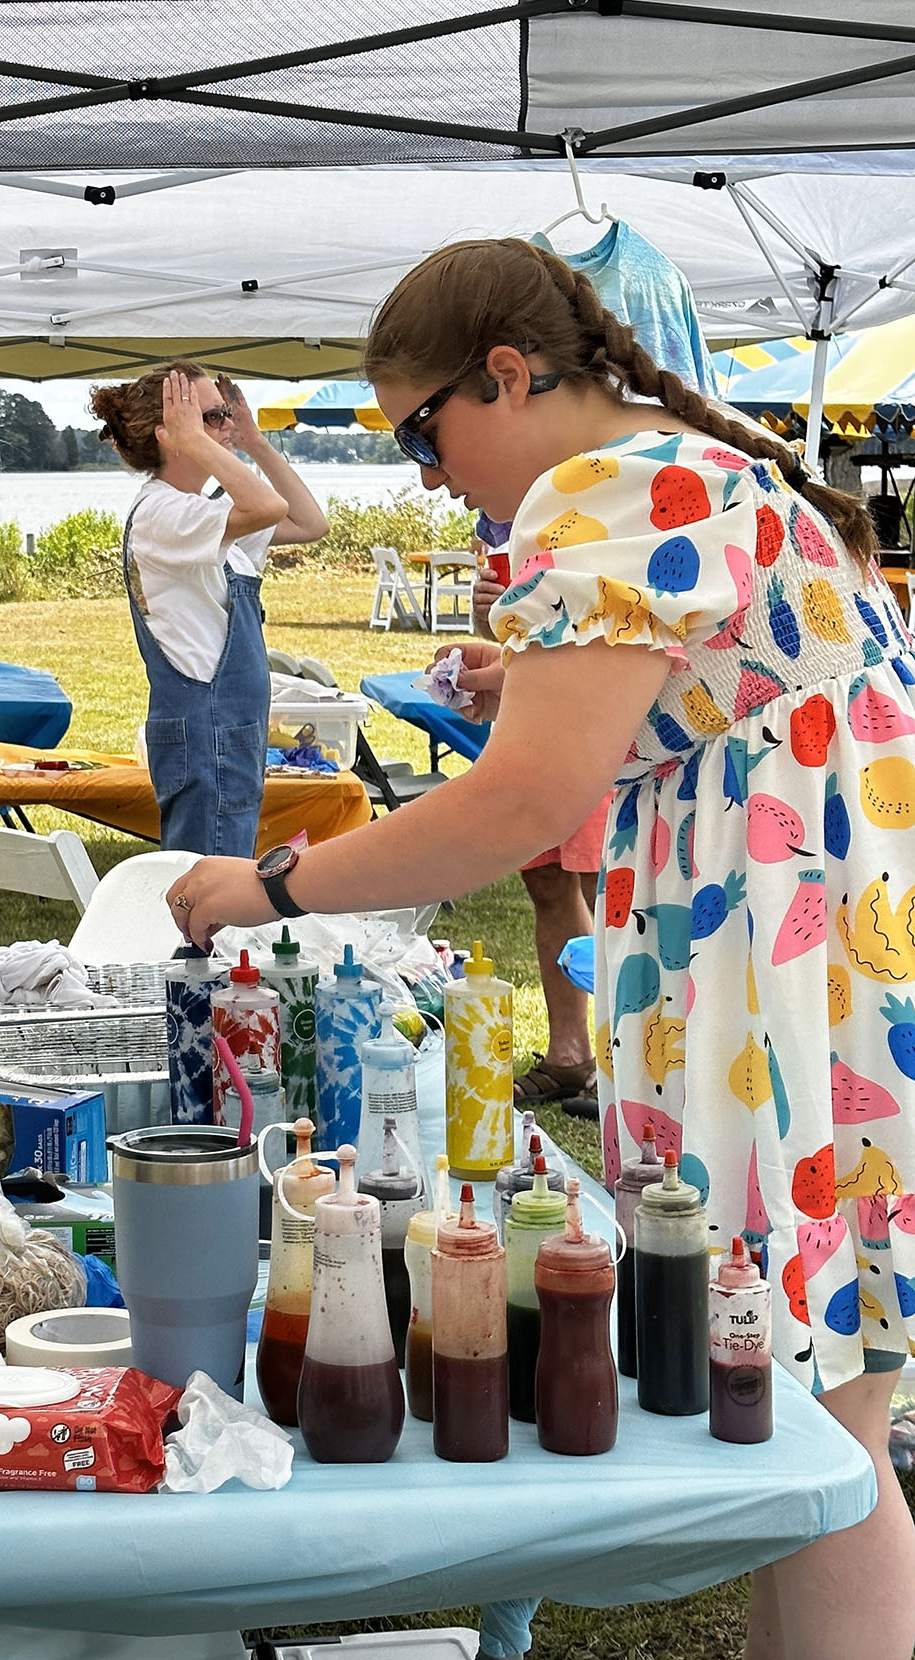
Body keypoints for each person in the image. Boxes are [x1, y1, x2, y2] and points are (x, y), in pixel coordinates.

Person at [165, 238, 915, 1660]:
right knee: (831, 1424)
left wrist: (276, 882)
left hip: (782, 979)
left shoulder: (604, 488)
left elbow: (522, 801)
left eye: (421, 430)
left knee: (821, 1451)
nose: (428, 475)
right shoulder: (696, 462)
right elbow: (736, 673)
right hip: (845, 974)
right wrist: (539, 677)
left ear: (507, 376)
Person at [89, 364, 327, 856]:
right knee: (206, 896)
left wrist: (255, 443)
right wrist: (199, 444)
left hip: (227, 729)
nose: (226, 424)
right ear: (171, 433)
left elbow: (308, 522)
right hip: (205, 729)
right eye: (213, 416)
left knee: (221, 882)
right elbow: (265, 508)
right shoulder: (163, 513)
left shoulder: (203, 512)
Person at [470, 541, 608, 1117]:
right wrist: (493, 618)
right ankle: (570, 1054)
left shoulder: (596, 495)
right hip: (534, 723)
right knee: (547, 878)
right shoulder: (504, 517)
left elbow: (598, 636)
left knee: (611, 883)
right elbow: (528, 634)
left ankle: (626, 1063)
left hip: (596, 720)